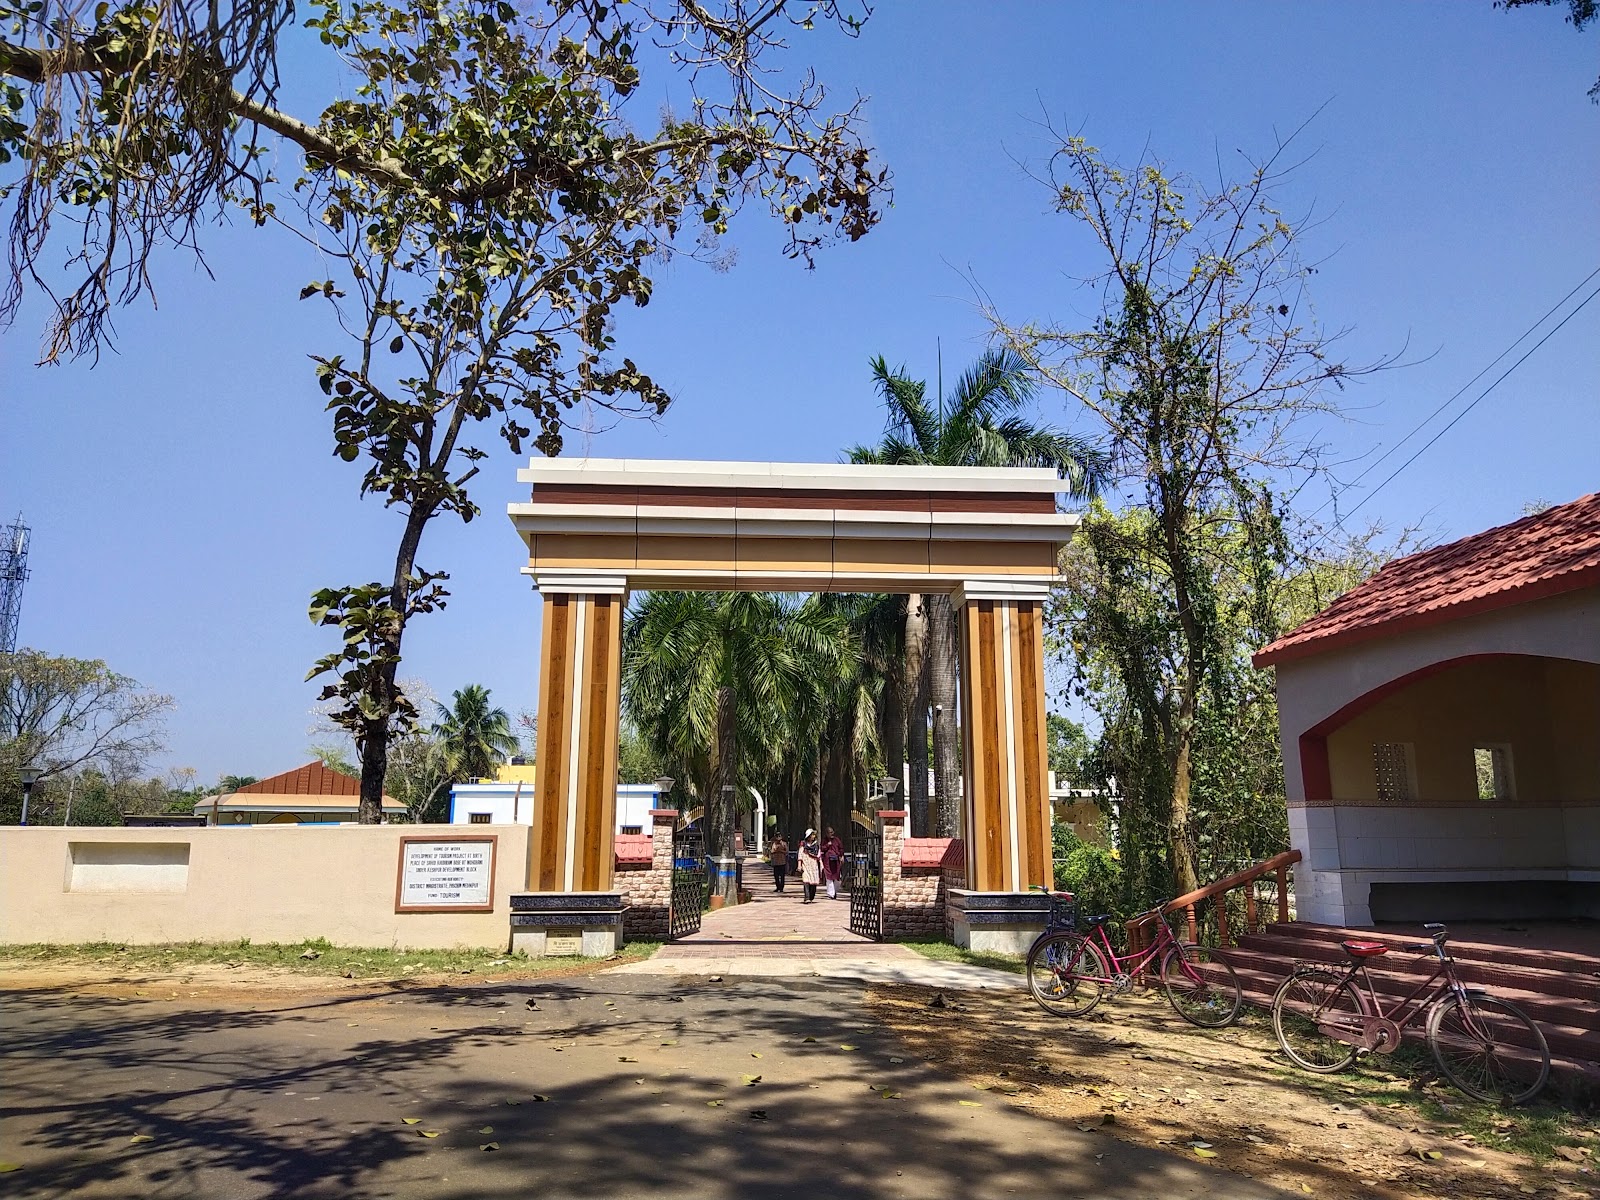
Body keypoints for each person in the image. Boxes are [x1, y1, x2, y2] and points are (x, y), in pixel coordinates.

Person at [798, 829, 822, 904]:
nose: (813, 836)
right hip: (806, 864)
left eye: (814, 835)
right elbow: (800, 854)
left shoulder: (816, 845)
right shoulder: (803, 844)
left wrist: (821, 865)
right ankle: (807, 897)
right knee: (806, 880)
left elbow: (818, 855)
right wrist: (799, 865)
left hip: (814, 865)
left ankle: (811, 896)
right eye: (811, 835)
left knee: (813, 882)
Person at [821, 826, 845, 900]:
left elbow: (841, 848)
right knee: (829, 877)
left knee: (837, 877)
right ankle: (831, 894)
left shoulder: (837, 840)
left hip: (836, 860)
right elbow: (822, 848)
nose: (831, 834)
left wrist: (842, 856)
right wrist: (827, 845)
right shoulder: (824, 840)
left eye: (832, 832)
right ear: (826, 833)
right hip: (827, 861)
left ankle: (835, 891)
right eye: (829, 833)